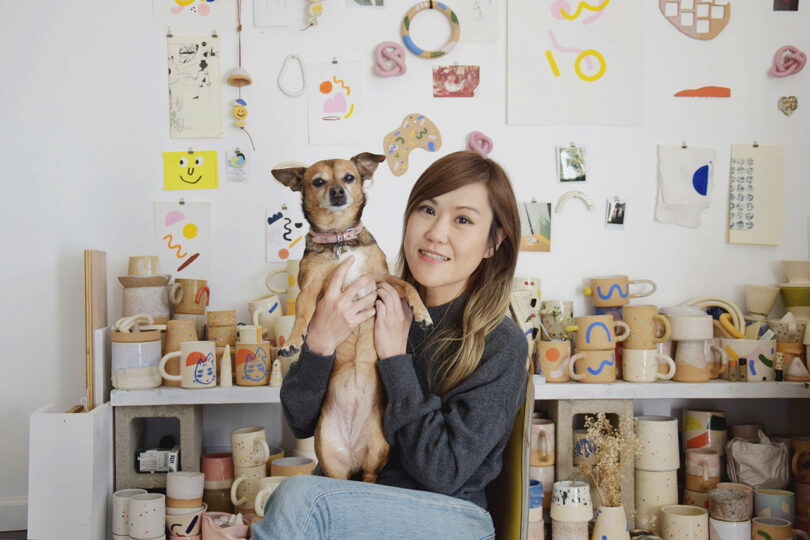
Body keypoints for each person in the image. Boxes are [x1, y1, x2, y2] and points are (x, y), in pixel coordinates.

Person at [251, 151, 529, 540]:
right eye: (427, 210)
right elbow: (301, 420)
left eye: (463, 220)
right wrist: (319, 343)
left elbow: (442, 472)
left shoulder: (501, 343)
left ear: (492, 243)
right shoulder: (369, 298)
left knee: (301, 499)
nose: (436, 232)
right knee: (292, 499)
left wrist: (395, 358)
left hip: (451, 516)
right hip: (364, 500)